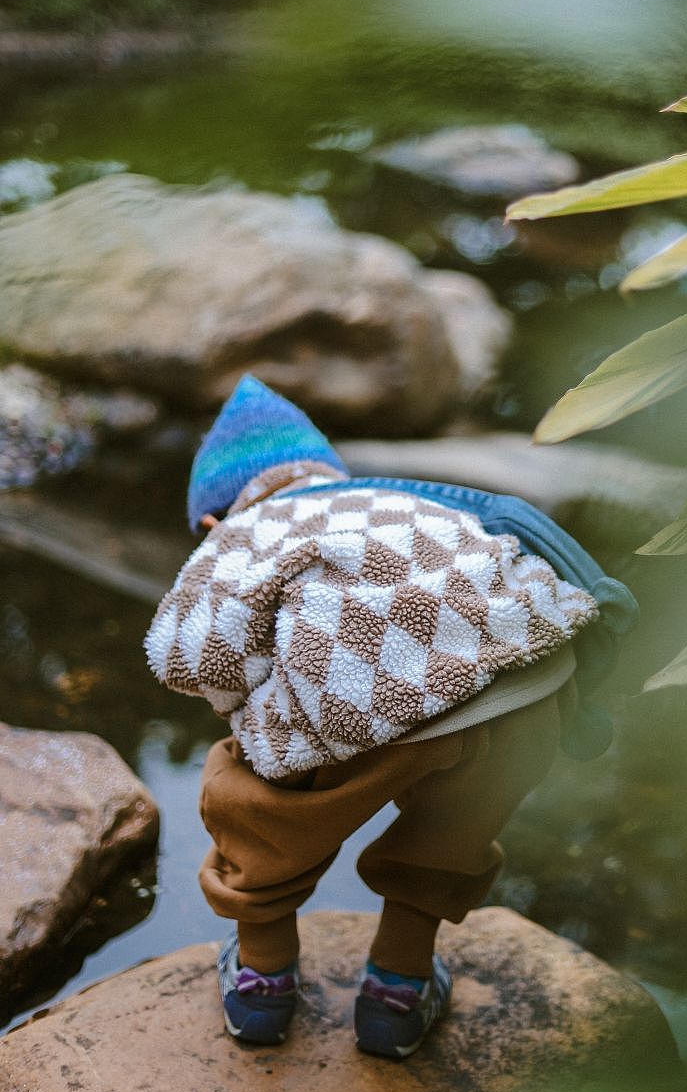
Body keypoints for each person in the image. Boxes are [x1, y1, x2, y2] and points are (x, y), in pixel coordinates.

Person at [145, 375, 637, 1055]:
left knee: (256, 799)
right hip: (525, 685)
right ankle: (396, 996)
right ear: (327, 475)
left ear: (211, 522)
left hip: (361, 687)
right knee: (452, 828)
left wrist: (244, 707)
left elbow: (188, 653)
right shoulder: (397, 501)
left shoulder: (246, 533)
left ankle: (262, 985)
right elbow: (529, 548)